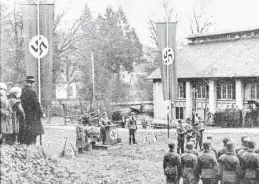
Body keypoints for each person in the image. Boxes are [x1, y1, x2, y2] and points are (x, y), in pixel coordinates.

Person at [21, 76, 44, 145]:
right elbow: (36, 104)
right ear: (32, 83)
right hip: (33, 115)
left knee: (27, 132)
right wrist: (41, 113)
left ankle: (27, 145)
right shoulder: (31, 92)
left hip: (25, 114)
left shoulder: (22, 90)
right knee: (33, 132)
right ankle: (32, 145)